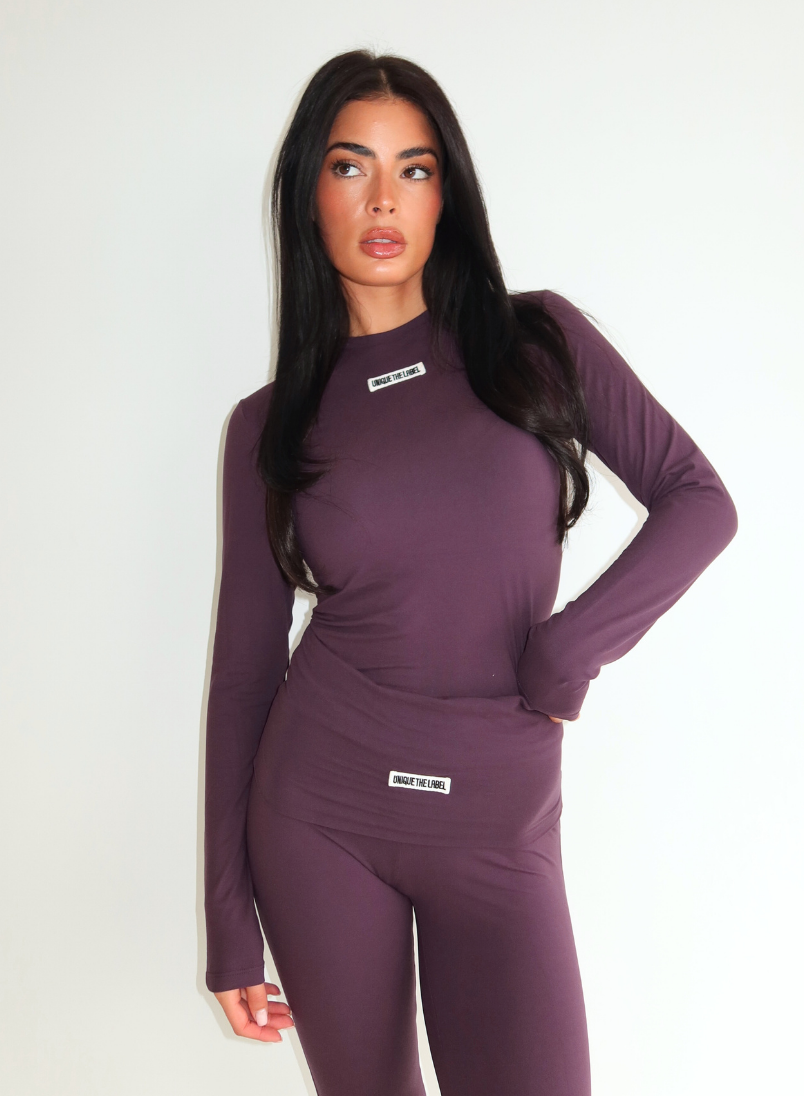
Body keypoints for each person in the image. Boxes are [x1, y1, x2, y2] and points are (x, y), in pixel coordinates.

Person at [203, 49, 738, 1096]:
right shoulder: (268, 426)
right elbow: (244, 675)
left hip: (499, 816)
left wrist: (570, 648)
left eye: (414, 168)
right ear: (308, 191)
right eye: (351, 166)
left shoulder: (536, 340)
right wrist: (228, 921)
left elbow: (698, 499)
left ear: (447, 194)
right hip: (320, 816)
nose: (383, 198)